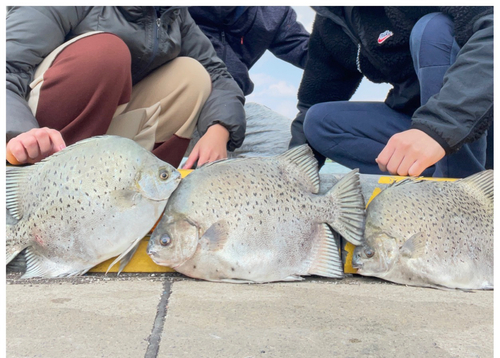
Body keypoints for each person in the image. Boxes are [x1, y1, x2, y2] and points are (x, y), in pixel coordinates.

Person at [6, 6, 246, 169]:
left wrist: (220, 129)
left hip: (105, 123)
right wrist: (19, 133)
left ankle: (129, 199)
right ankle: (45, 182)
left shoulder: (175, 14)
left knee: (193, 75)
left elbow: (217, 74)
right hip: (34, 130)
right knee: (106, 52)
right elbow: (7, 66)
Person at [290, 6, 493, 178]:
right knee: (317, 121)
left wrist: (439, 128)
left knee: (433, 29)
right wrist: (291, 176)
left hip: (479, 119)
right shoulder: (331, 20)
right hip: (417, 120)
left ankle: (463, 187)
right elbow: (312, 100)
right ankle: (426, 178)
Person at [187, 6, 310, 158]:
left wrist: (341, 32)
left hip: (228, 109)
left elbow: (311, 52)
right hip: (170, 105)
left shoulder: (275, 12)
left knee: (287, 146)